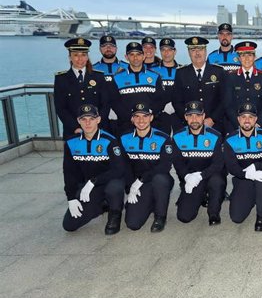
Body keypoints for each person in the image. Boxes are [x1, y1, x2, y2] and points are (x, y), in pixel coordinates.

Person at [62, 104, 125, 234]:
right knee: (69, 225)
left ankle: (115, 213)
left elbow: (119, 169)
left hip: (108, 182)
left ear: (98, 120)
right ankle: (100, 205)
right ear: (78, 121)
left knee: (115, 187)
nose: (88, 123)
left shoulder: (110, 141)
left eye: (91, 118)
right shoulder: (71, 143)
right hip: (87, 188)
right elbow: (69, 172)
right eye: (84, 119)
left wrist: (94, 181)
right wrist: (71, 198)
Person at [223, 103, 262, 231]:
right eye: (243, 117)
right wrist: (246, 174)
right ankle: (255, 196)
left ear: (255, 119)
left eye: (250, 117)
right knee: (236, 217)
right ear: (238, 119)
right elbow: (231, 167)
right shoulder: (230, 140)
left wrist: (257, 166)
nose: (247, 120)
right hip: (243, 178)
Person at [120, 102, 174, 232]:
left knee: (160, 180)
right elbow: (123, 166)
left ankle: (160, 216)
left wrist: (141, 180)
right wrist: (130, 187)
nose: (141, 120)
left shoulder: (163, 138)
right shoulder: (124, 138)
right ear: (132, 119)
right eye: (137, 116)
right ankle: (150, 203)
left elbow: (165, 166)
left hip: (157, 180)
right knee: (132, 224)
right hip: (136, 184)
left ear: (151, 118)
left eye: (145, 116)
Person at [170, 101, 226, 225]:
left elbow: (218, 164)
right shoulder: (178, 137)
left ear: (203, 116)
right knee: (184, 217)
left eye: (198, 115)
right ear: (185, 117)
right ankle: (198, 195)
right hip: (190, 178)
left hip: (210, 175)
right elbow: (178, 162)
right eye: (190, 115)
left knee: (217, 181)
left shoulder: (215, 136)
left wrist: (201, 175)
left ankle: (213, 213)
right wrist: (186, 176)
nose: (194, 119)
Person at [54, 37, 109, 138]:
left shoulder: (98, 77)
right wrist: (75, 127)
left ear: (87, 57)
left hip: (97, 129)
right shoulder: (61, 79)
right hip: (73, 131)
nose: (80, 59)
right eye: (76, 55)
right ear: (70, 57)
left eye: (83, 55)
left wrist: (96, 124)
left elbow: (105, 104)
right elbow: (60, 108)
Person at [173, 36, 226, 134]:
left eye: (200, 49)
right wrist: (190, 120)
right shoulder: (181, 73)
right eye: (193, 50)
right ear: (189, 53)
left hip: (214, 125)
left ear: (205, 51)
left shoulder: (218, 71)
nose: (197, 53)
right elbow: (177, 101)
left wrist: (213, 119)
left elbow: (224, 99)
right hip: (189, 126)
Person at [109, 41, 164, 133]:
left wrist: (148, 116)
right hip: (126, 123)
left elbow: (160, 100)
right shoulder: (117, 78)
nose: (135, 58)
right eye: (131, 54)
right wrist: (130, 117)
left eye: (138, 54)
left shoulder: (155, 76)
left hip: (151, 123)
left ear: (143, 56)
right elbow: (114, 102)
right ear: (126, 57)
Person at [224, 41, 262, 132]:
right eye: (243, 55)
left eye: (250, 55)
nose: (246, 59)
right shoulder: (231, 77)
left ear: (254, 57)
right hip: (236, 126)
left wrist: (258, 123)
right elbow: (228, 105)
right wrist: (238, 124)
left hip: (259, 126)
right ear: (239, 58)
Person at [153, 37, 183, 135]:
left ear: (175, 51)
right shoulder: (152, 72)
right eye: (163, 50)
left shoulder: (183, 70)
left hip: (179, 115)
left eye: (169, 50)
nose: (166, 53)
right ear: (160, 52)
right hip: (158, 116)